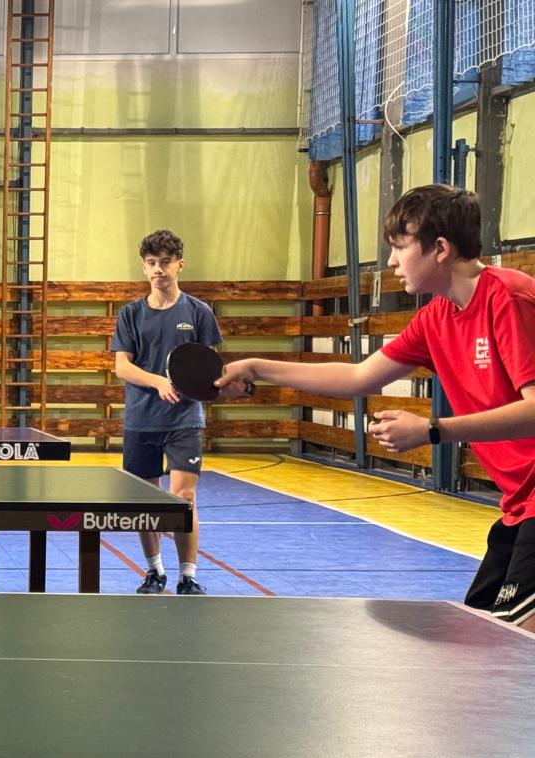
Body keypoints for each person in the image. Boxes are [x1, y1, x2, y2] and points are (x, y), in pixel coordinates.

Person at [218, 184, 535, 627]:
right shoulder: (434, 319)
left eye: (400, 246)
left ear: (440, 249)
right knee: (483, 638)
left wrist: (432, 430)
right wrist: (256, 367)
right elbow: (357, 378)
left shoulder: (510, 298)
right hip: (519, 505)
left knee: (512, 644)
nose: (390, 262)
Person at [111, 229, 235, 596]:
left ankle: (188, 575)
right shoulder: (131, 314)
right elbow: (122, 366)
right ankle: (154, 571)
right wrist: (157, 382)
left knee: (183, 498)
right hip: (141, 419)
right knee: (145, 502)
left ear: (180, 265)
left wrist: (214, 385)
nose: (158, 269)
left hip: (184, 420)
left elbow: (210, 365)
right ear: (144, 267)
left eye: (165, 262)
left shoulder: (198, 312)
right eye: (151, 263)